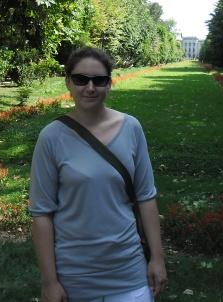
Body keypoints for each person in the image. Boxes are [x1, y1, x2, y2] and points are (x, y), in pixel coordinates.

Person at [30, 46, 167, 302]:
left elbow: (146, 197)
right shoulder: (51, 137)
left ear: (109, 84)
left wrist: (157, 258)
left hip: (129, 272)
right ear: (68, 82)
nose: (90, 88)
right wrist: (49, 282)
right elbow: (41, 213)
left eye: (99, 80)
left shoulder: (131, 128)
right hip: (73, 278)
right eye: (81, 79)